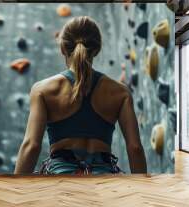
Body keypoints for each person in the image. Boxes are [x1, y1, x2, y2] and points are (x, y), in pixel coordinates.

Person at [14, 16, 147, 175]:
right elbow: (135, 148)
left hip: (60, 179)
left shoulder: (42, 90)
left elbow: (32, 146)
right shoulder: (120, 92)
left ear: (63, 48)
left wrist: (15, 191)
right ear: (97, 50)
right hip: (103, 179)